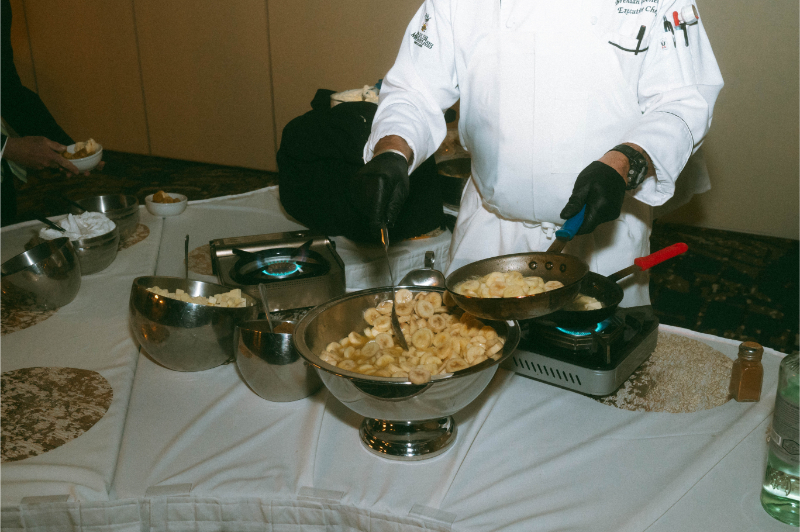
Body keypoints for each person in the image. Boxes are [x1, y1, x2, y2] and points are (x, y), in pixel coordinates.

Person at [349, 0, 723, 307]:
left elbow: (683, 100)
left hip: (604, 241)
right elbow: (416, 89)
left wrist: (624, 161)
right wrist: (392, 151)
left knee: (596, 379)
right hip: (488, 233)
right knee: (473, 369)